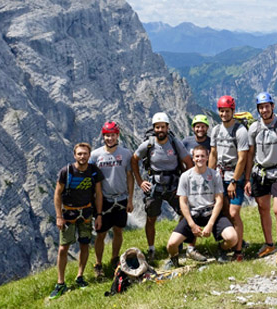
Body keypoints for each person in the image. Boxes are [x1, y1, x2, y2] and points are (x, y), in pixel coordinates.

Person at [245, 92, 277, 267]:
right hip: (259, 174)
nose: (264, 110)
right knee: (262, 208)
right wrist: (247, 179)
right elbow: (250, 154)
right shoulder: (254, 128)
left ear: (272, 106)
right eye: (261, 107)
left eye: (267, 106)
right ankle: (269, 244)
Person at [132, 112, 193, 261]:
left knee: (185, 213)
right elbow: (134, 159)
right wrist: (140, 181)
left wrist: (185, 181)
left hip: (173, 184)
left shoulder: (174, 142)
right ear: (154, 129)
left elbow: (189, 162)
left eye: (162, 127)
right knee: (151, 218)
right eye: (157, 127)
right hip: (154, 186)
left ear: (167, 127)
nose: (160, 130)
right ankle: (151, 249)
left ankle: (177, 242)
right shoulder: (149, 144)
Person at [164, 145, 238, 269]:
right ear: (193, 158)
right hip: (194, 214)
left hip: (211, 213)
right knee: (171, 244)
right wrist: (192, 224)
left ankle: (221, 249)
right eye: (197, 156)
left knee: (232, 238)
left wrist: (210, 224)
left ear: (208, 157)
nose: (200, 159)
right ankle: (174, 259)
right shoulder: (185, 176)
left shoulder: (215, 175)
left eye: (203, 156)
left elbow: (219, 200)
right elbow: (183, 202)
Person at [50, 143, 103, 299]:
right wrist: (59, 216)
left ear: (89, 155)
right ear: (74, 155)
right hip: (68, 215)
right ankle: (60, 283)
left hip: (86, 213)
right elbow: (57, 194)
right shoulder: (66, 172)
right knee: (63, 248)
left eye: (85, 154)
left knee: (84, 244)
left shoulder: (94, 172)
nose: (82, 156)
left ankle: (80, 277)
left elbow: (98, 194)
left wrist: (98, 214)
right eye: (79, 154)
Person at [89, 121, 135, 278]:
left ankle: (115, 259)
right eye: (107, 136)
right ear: (103, 136)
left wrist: (130, 199)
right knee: (101, 233)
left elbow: (130, 176)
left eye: (113, 135)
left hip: (121, 198)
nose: (110, 138)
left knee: (118, 230)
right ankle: (98, 263)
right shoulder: (95, 155)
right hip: (103, 200)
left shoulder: (126, 153)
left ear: (118, 136)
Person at [208, 95, 249, 261]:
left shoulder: (240, 131)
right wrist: (208, 177)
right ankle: (229, 244)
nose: (224, 114)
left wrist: (233, 181)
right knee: (224, 211)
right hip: (219, 175)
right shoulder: (217, 130)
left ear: (233, 111)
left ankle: (238, 251)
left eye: (227, 111)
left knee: (234, 212)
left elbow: (242, 158)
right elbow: (213, 154)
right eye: (221, 111)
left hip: (234, 177)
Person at [181, 114, 211, 262]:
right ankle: (187, 244)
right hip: (190, 180)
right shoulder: (186, 141)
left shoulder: (211, 142)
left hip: (207, 181)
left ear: (207, 128)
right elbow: (180, 157)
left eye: (203, 126)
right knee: (187, 210)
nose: (200, 129)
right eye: (197, 126)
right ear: (193, 128)